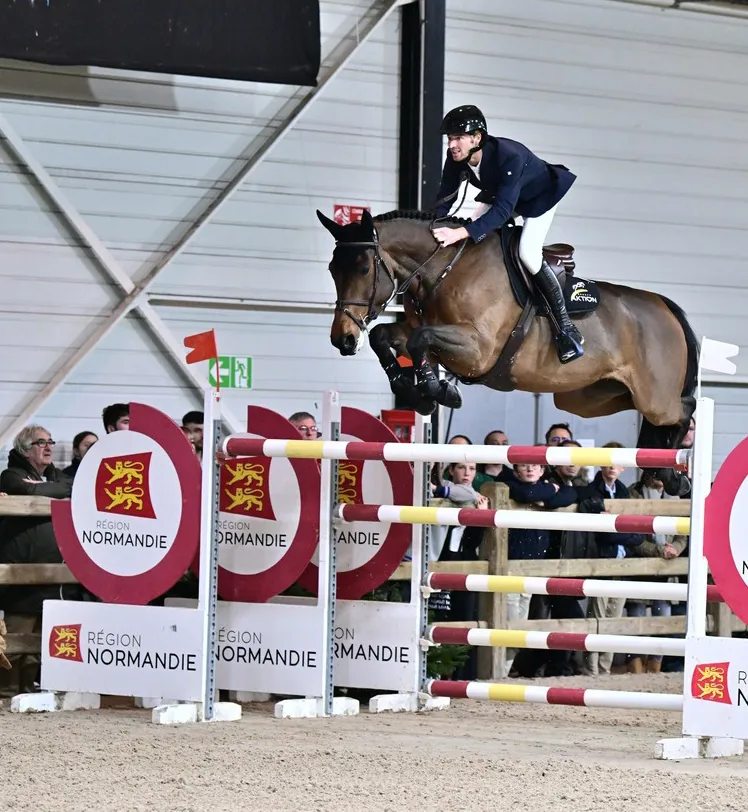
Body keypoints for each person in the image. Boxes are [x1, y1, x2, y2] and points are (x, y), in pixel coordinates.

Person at [431, 104, 583, 364]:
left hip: (539, 198)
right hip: (502, 195)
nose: (452, 144)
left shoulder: (509, 156)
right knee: (476, 235)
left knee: (528, 253)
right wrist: (433, 226)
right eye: (450, 138)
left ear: (476, 138)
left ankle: (566, 328)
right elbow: (445, 196)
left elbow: (502, 213)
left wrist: (459, 233)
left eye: (457, 138)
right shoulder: (456, 157)